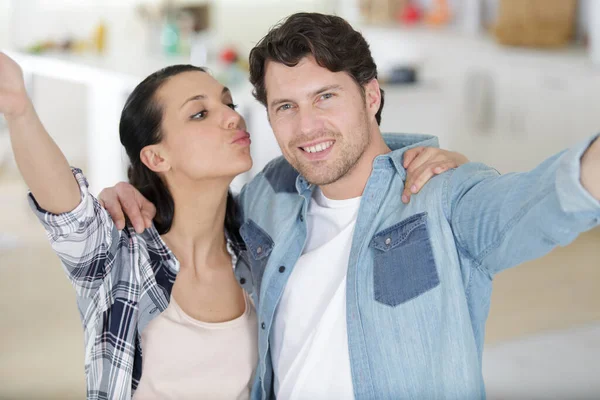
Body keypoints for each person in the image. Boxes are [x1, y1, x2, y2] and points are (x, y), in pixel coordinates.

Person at [100, 12, 600, 400]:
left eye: (325, 97)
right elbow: (195, 208)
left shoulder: (441, 195)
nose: (307, 127)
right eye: (286, 107)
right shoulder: (267, 198)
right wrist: (133, 193)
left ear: (371, 96)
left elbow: (551, 197)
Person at [0, 50, 466, 400]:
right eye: (200, 113)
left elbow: (345, 168)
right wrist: (19, 108)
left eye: (226, 102)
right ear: (156, 156)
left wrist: (427, 160)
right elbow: (66, 208)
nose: (231, 116)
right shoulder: (121, 253)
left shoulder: (262, 241)